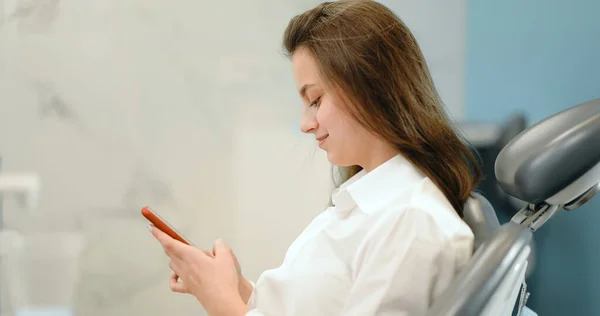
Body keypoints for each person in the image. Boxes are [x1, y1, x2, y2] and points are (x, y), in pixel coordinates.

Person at [149, 1, 482, 315]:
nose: (306, 124)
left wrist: (221, 301)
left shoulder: (412, 223)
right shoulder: (366, 201)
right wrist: (234, 285)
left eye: (315, 100)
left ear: (368, 87)